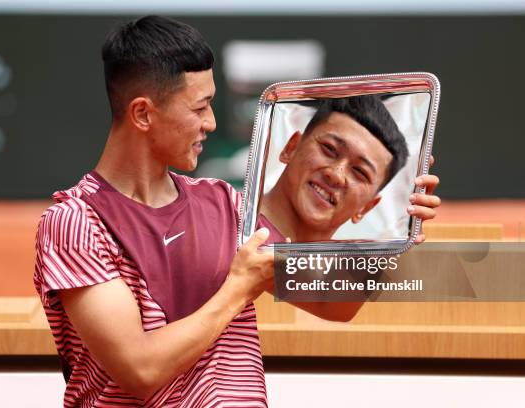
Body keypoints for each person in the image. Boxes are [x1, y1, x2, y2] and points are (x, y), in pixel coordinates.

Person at [33, 16, 440, 407]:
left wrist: (395, 237)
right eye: (199, 108)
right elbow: (140, 369)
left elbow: (334, 304)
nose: (211, 123)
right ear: (143, 113)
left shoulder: (225, 205)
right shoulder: (75, 223)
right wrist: (237, 289)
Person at [261, 95, 436, 243]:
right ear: (291, 148)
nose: (336, 175)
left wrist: (409, 263)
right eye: (329, 149)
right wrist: (240, 282)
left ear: (366, 207)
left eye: (360, 172)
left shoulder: (360, 272)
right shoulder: (232, 209)